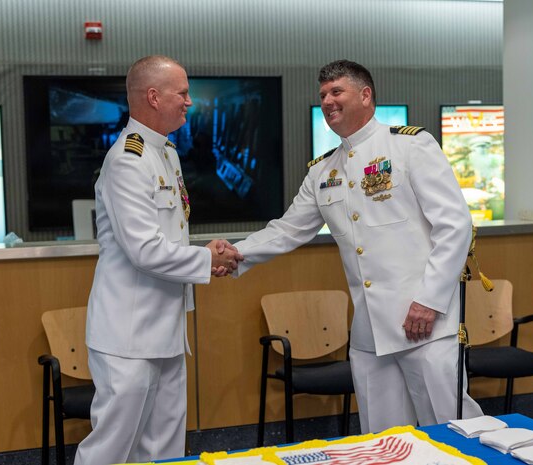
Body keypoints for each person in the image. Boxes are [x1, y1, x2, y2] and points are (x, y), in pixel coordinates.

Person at [232, 60, 482, 433]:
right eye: (323, 95)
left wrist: (429, 301)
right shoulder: (323, 171)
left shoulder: (410, 145)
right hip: (369, 334)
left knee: (452, 434)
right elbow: (287, 230)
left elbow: (455, 225)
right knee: (382, 442)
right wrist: (234, 255)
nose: (328, 101)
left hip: (424, 326)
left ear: (366, 95)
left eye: (337, 92)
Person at [74, 55, 243, 465]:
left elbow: (170, 236)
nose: (189, 102)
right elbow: (144, 249)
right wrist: (206, 260)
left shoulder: (167, 153)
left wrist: (207, 253)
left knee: (163, 452)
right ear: (153, 96)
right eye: (182, 93)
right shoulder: (127, 160)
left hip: (165, 330)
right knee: (111, 450)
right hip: (128, 336)